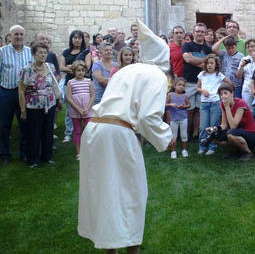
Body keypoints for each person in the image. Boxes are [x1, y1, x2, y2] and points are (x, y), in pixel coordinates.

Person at [78, 19, 173, 253]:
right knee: (132, 194)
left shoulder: (127, 70)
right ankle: (130, 249)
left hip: (95, 130)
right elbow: (148, 117)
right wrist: (166, 136)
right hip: (117, 134)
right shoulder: (157, 76)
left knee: (105, 191)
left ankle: (111, 248)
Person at [17, 42, 61, 168]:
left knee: (48, 132)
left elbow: (54, 84)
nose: (43, 55)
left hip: (50, 105)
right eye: (40, 52)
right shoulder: (27, 70)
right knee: (34, 133)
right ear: (34, 54)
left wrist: (58, 100)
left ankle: (46, 157)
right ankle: (32, 160)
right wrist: (23, 110)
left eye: (45, 52)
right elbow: (21, 91)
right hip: (33, 106)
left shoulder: (50, 67)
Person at [0, 25, 32, 164]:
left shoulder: (30, 52)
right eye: (16, 34)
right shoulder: (2, 52)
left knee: (24, 123)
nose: (18, 37)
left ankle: (24, 152)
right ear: (10, 35)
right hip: (6, 92)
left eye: (21, 34)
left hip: (24, 93)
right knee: (3, 125)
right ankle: (5, 154)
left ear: (24, 36)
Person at [213, 83, 255, 161]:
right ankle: (234, 151)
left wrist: (227, 107)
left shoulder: (240, 103)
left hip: (250, 134)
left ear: (232, 93)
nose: (223, 96)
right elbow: (224, 125)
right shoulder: (223, 104)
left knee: (230, 134)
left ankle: (248, 152)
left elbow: (233, 125)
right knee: (214, 136)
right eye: (221, 94)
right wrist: (214, 129)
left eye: (225, 93)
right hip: (236, 132)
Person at [196, 54, 231, 155]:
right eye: (207, 63)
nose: (209, 65)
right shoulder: (202, 74)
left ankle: (212, 146)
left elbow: (228, 83)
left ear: (216, 64)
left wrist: (220, 93)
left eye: (212, 63)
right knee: (203, 126)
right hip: (204, 104)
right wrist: (202, 90)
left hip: (215, 103)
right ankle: (202, 146)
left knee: (213, 126)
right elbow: (197, 88)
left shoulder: (219, 75)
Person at [182, 23, 212, 140]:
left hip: (203, 83)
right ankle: (187, 133)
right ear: (193, 33)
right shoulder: (187, 46)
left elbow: (209, 65)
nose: (199, 33)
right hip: (189, 82)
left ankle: (196, 132)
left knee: (199, 110)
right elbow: (187, 59)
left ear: (204, 34)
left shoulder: (208, 48)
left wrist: (197, 61)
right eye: (197, 31)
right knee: (189, 109)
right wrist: (204, 60)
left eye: (202, 32)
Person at [59, 30, 86, 143]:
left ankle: (83, 133)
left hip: (83, 84)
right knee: (70, 109)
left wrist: (70, 67)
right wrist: (76, 68)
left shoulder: (85, 52)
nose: (77, 40)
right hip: (69, 83)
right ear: (71, 39)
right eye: (75, 38)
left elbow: (87, 66)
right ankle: (68, 133)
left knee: (84, 108)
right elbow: (61, 67)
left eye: (79, 38)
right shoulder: (66, 52)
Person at [66, 61, 95, 160]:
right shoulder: (71, 82)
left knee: (89, 130)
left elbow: (92, 96)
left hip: (88, 110)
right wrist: (78, 109)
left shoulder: (88, 81)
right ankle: (79, 152)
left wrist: (88, 108)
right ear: (74, 71)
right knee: (77, 131)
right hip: (76, 110)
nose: (81, 72)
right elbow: (68, 97)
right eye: (78, 70)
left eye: (83, 70)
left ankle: (90, 150)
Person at [167, 77, 190, 159]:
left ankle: (184, 150)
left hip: (183, 118)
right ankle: (173, 151)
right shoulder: (170, 95)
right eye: (179, 85)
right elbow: (164, 104)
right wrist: (171, 104)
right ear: (174, 85)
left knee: (184, 134)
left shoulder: (185, 95)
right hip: (174, 119)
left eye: (183, 85)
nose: (181, 87)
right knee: (174, 135)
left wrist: (184, 106)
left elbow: (189, 105)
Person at [237, 39, 255, 108]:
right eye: (248, 47)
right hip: (247, 88)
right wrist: (241, 66)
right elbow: (238, 76)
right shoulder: (244, 59)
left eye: (252, 46)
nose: (250, 48)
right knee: (248, 109)